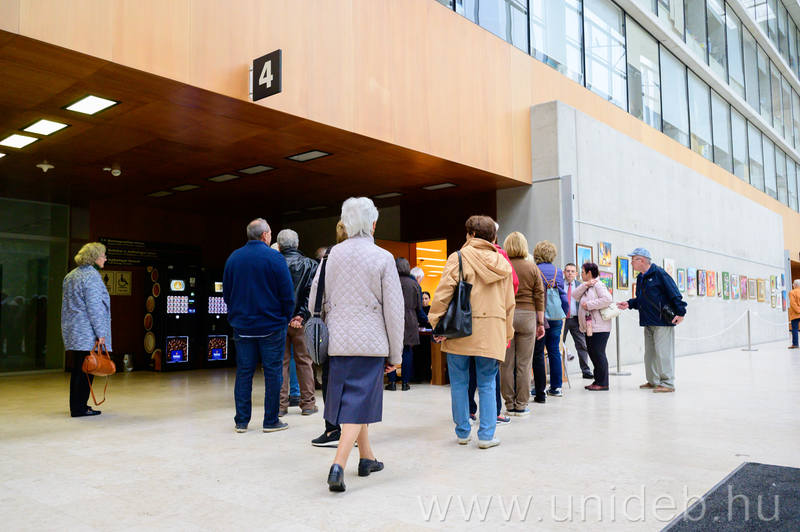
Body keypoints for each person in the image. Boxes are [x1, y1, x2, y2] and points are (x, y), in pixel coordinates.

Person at [308, 197, 404, 492]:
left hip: (337, 341)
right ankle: (338, 465)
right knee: (357, 403)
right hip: (371, 343)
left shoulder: (329, 256)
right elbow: (394, 311)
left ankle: (367, 458)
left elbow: (314, 301)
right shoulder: (383, 257)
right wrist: (396, 354)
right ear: (373, 224)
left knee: (354, 400)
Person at [429, 215, 515, 449]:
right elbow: (509, 304)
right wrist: (507, 333)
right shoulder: (503, 264)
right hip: (492, 329)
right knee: (487, 383)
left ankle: (462, 433)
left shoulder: (458, 257)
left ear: (473, 235)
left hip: (460, 329)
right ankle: (486, 436)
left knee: (459, 382)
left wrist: (436, 322)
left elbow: (443, 293)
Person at [224, 219, 295, 433]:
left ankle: (241, 422)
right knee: (273, 373)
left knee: (244, 373)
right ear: (265, 235)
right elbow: (287, 293)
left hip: (242, 327)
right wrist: (285, 317)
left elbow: (227, 293)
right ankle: (270, 421)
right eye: (270, 233)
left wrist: (236, 314)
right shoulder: (275, 257)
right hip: (271, 326)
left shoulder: (233, 258)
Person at [616, 248, 686, 393]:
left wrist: (681, 312)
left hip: (661, 322)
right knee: (650, 354)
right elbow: (643, 299)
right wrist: (629, 303)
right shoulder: (640, 278)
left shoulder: (659, 273)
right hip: (648, 321)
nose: (631, 263)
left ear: (641, 260)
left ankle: (667, 383)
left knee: (663, 354)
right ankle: (653, 381)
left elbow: (674, 293)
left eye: (633, 260)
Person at [61, 242, 111, 418]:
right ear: (94, 258)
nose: (105, 258)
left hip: (74, 329)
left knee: (78, 368)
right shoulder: (92, 276)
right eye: (103, 255)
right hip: (87, 330)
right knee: (88, 369)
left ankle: (76, 406)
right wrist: (101, 332)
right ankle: (80, 408)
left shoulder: (70, 276)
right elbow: (95, 307)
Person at [311, 220, 349, 448]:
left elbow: (317, 292)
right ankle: (357, 433)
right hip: (365, 331)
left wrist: (316, 316)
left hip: (334, 327)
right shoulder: (374, 254)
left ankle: (332, 429)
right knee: (359, 382)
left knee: (331, 379)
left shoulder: (330, 256)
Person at [501, 232, 545, 416]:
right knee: (524, 364)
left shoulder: (502, 265)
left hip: (506, 315)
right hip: (528, 316)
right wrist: (540, 322)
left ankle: (509, 404)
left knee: (506, 363)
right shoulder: (532, 268)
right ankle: (521, 405)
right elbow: (539, 296)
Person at [277, 229, 319, 416]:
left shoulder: (273, 263)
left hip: (278, 322)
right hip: (302, 323)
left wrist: (284, 316)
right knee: (304, 362)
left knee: (281, 363)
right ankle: (308, 404)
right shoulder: (310, 264)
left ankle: (280, 406)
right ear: (297, 244)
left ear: (279, 246)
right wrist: (301, 315)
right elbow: (312, 293)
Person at [532, 240, 569, 400]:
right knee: (554, 350)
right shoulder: (558, 272)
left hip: (539, 317)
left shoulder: (534, 270)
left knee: (539, 352)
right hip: (555, 315)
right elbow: (563, 296)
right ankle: (556, 387)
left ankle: (539, 388)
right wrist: (564, 311)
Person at [572, 262, 613, 391]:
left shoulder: (598, 285)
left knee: (598, 354)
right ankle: (598, 380)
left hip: (600, 327)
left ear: (589, 273)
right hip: (590, 327)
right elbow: (574, 295)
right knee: (593, 353)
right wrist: (585, 284)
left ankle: (603, 383)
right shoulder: (588, 286)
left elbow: (608, 299)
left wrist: (589, 305)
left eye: (583, 272)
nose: (581, 275)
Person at [386, 258, 422, 391]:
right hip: (410, 318)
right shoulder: (413, 284)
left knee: (391, 350)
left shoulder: (390, 281)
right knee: (407, 350)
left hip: (392, 316)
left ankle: (392, 382)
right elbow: (419, 307)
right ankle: (405, 383)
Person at [562, 263, 594, 379]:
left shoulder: (580, 286)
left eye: (572, 271)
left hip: (576, 320)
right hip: (562, 319)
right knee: (559, 345)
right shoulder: (559, 284)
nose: (570, 273)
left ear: (576, 274)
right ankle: (560, 371)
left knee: (582, 345)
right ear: (564, 273)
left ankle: (586, 371)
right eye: (568, 271)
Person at [789, 280, 800, 348]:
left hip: (795, 314)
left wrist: (799, 310)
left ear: (795, 285)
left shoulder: (792, 292)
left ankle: (795, 344)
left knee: (795, 329)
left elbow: (793, 303)